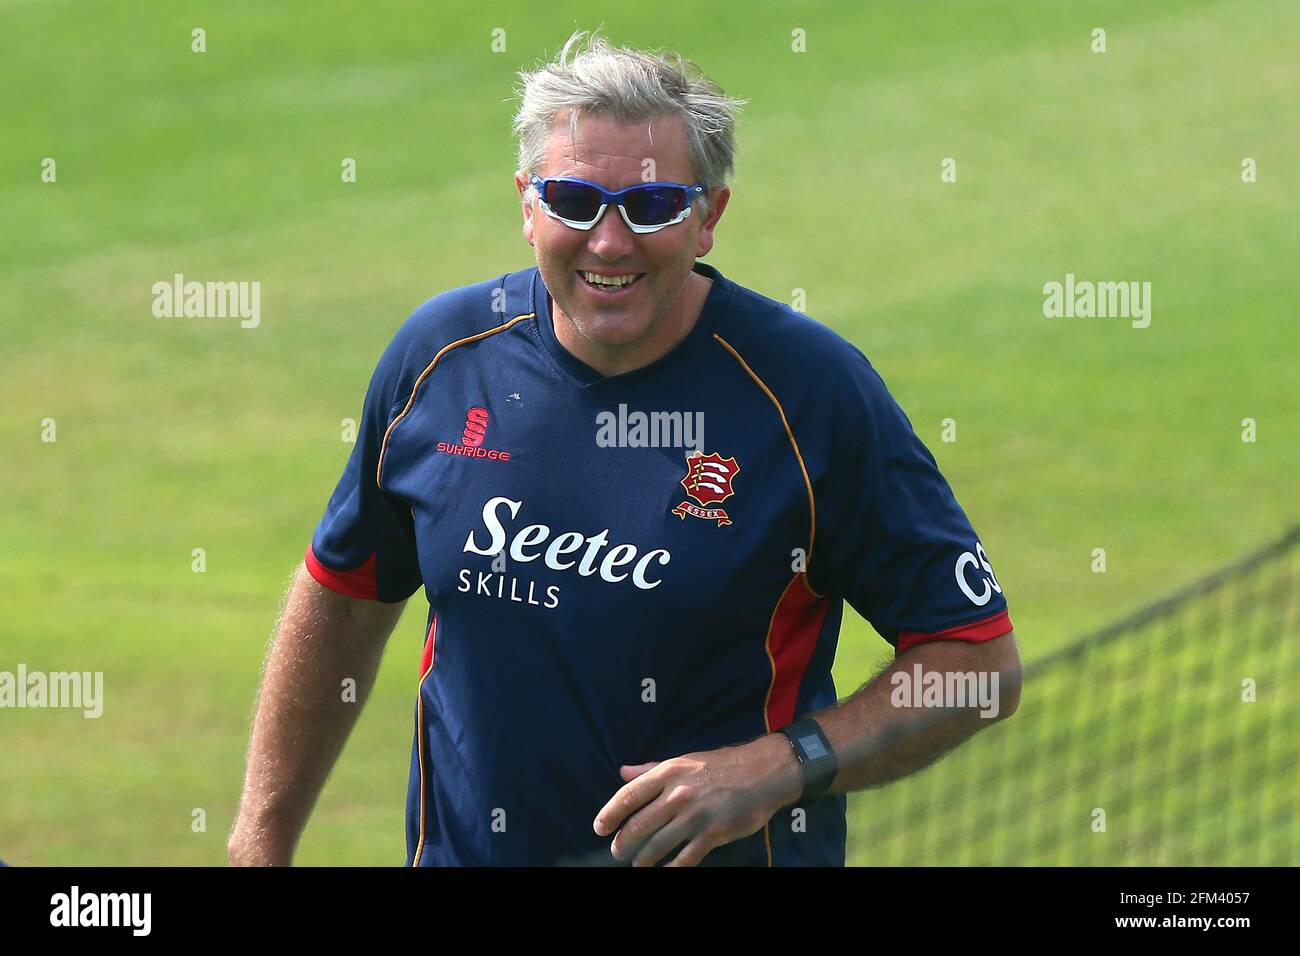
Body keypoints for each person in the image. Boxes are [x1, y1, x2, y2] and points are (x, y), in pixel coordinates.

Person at [229, 30, 1021, 868]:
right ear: (526, 204)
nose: (609, 243)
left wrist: (780, 767)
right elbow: (348, 593)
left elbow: (978, 663)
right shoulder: (440, 359)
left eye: (652, 207)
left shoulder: (812, 394)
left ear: (708, 217)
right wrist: (259, 840)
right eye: (574, 200)